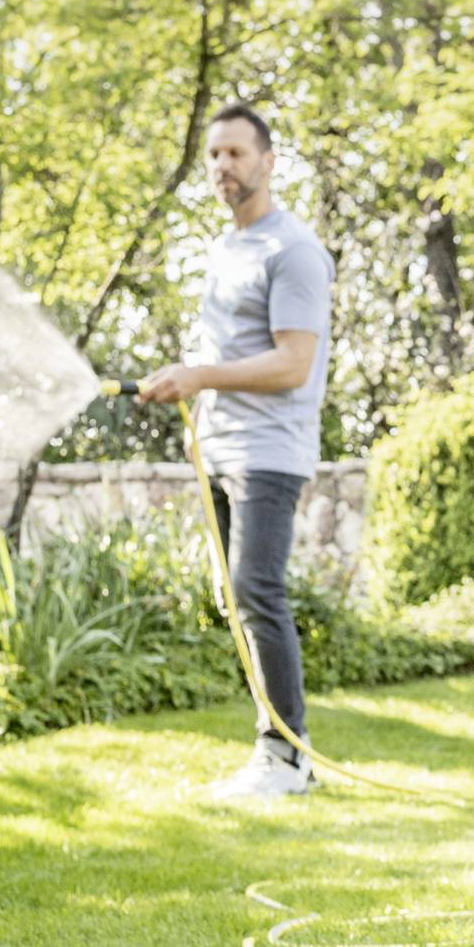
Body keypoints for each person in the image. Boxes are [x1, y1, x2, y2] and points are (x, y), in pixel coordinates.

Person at [136, 100, 333, 801]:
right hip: (222, 447)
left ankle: (286, 758)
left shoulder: (293, 251)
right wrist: (181, 378)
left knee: (257, 589)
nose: (223, 166)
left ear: (268, 160)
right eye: (215, 155)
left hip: (270, 452)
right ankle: (272, 749)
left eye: (237, 154)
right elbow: (229, 354)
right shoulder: (226, 251)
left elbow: (291, 365)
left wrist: (199, 375)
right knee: (237, 596)